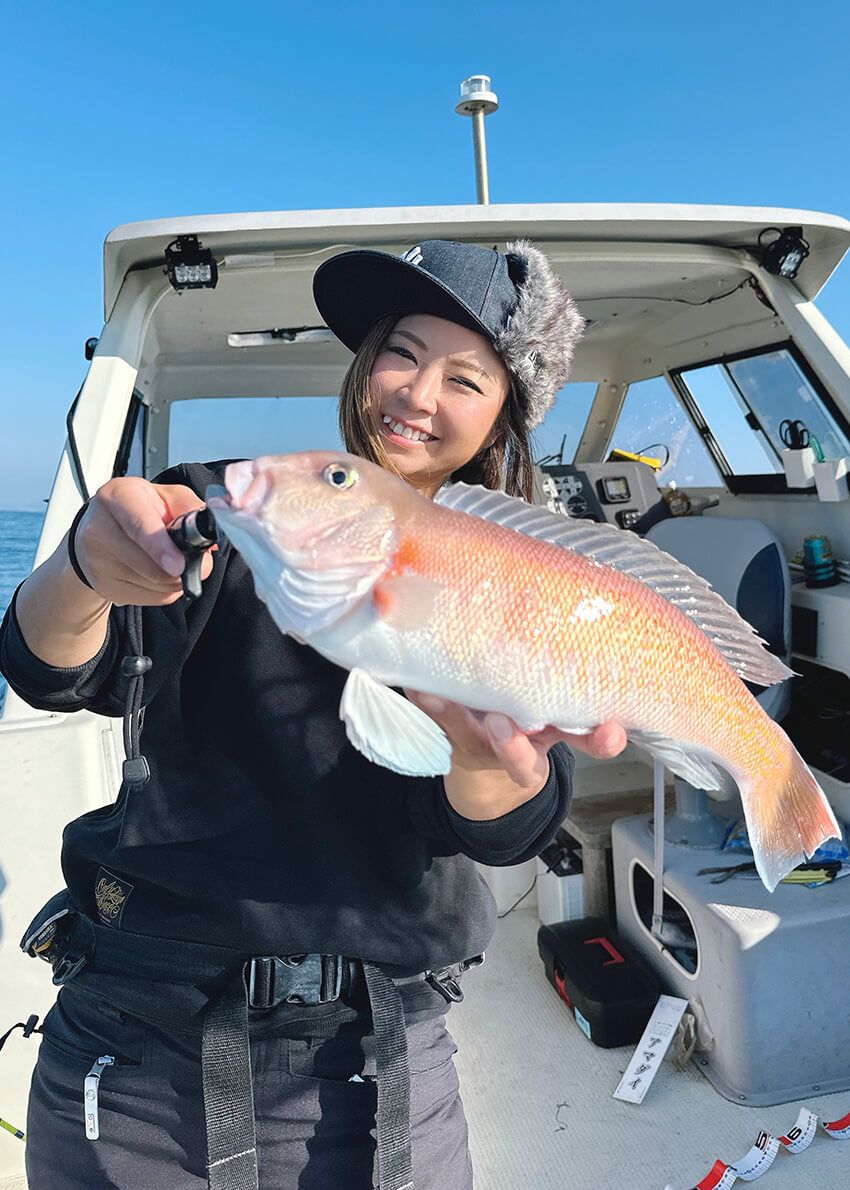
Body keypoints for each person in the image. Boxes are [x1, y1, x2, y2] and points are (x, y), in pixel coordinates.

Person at [0, 238, 627, 1190]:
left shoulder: (515, 579)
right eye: (403, 352)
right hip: (142, 1049)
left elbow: (509, 831)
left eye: (467, 377)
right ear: (364, 360)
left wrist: (488, 762)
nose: (418, 396)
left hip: (383, 1068)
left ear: (505, 417)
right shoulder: (239, 504)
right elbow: (54, 674)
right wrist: (86, 567)